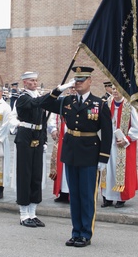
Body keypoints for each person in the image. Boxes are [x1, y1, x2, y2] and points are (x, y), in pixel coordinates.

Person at [41, 66, 113, 247]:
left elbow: (107, 133)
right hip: (71, 153)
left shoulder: (100, 104)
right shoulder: (67, 101)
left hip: (90, 154)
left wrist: (103, 158)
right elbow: (45, 103)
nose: (78, 83)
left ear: (90, 81)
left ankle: (85, 234)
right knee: (75, 195)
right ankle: (75, 231)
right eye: (76, 81)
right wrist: (60, 89)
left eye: (81, 80)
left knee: (87, 195)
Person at [14, 71, 50, 226]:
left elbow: (43, 121)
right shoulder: (22, 98)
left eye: (36, 80)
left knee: (36, 174)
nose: (34, 83)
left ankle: (33, 212)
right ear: (24, 83)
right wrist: (56, 91)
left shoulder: (38, 98)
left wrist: (44, 140)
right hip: (25, 136)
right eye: (31, 81)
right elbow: (35, 103)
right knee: (25, 174)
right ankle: (23, 214)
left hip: (37, 136)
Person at [101, 86, 138, 208]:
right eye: (113, 89)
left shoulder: (129, 105)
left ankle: (120, 198)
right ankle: (107, 198)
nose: (115, 91)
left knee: (118, 171)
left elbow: (136, 127)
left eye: (117, 89)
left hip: (122, 143)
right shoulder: (107, 103)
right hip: (108, 142)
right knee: (107, 169)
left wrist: (126, 139)